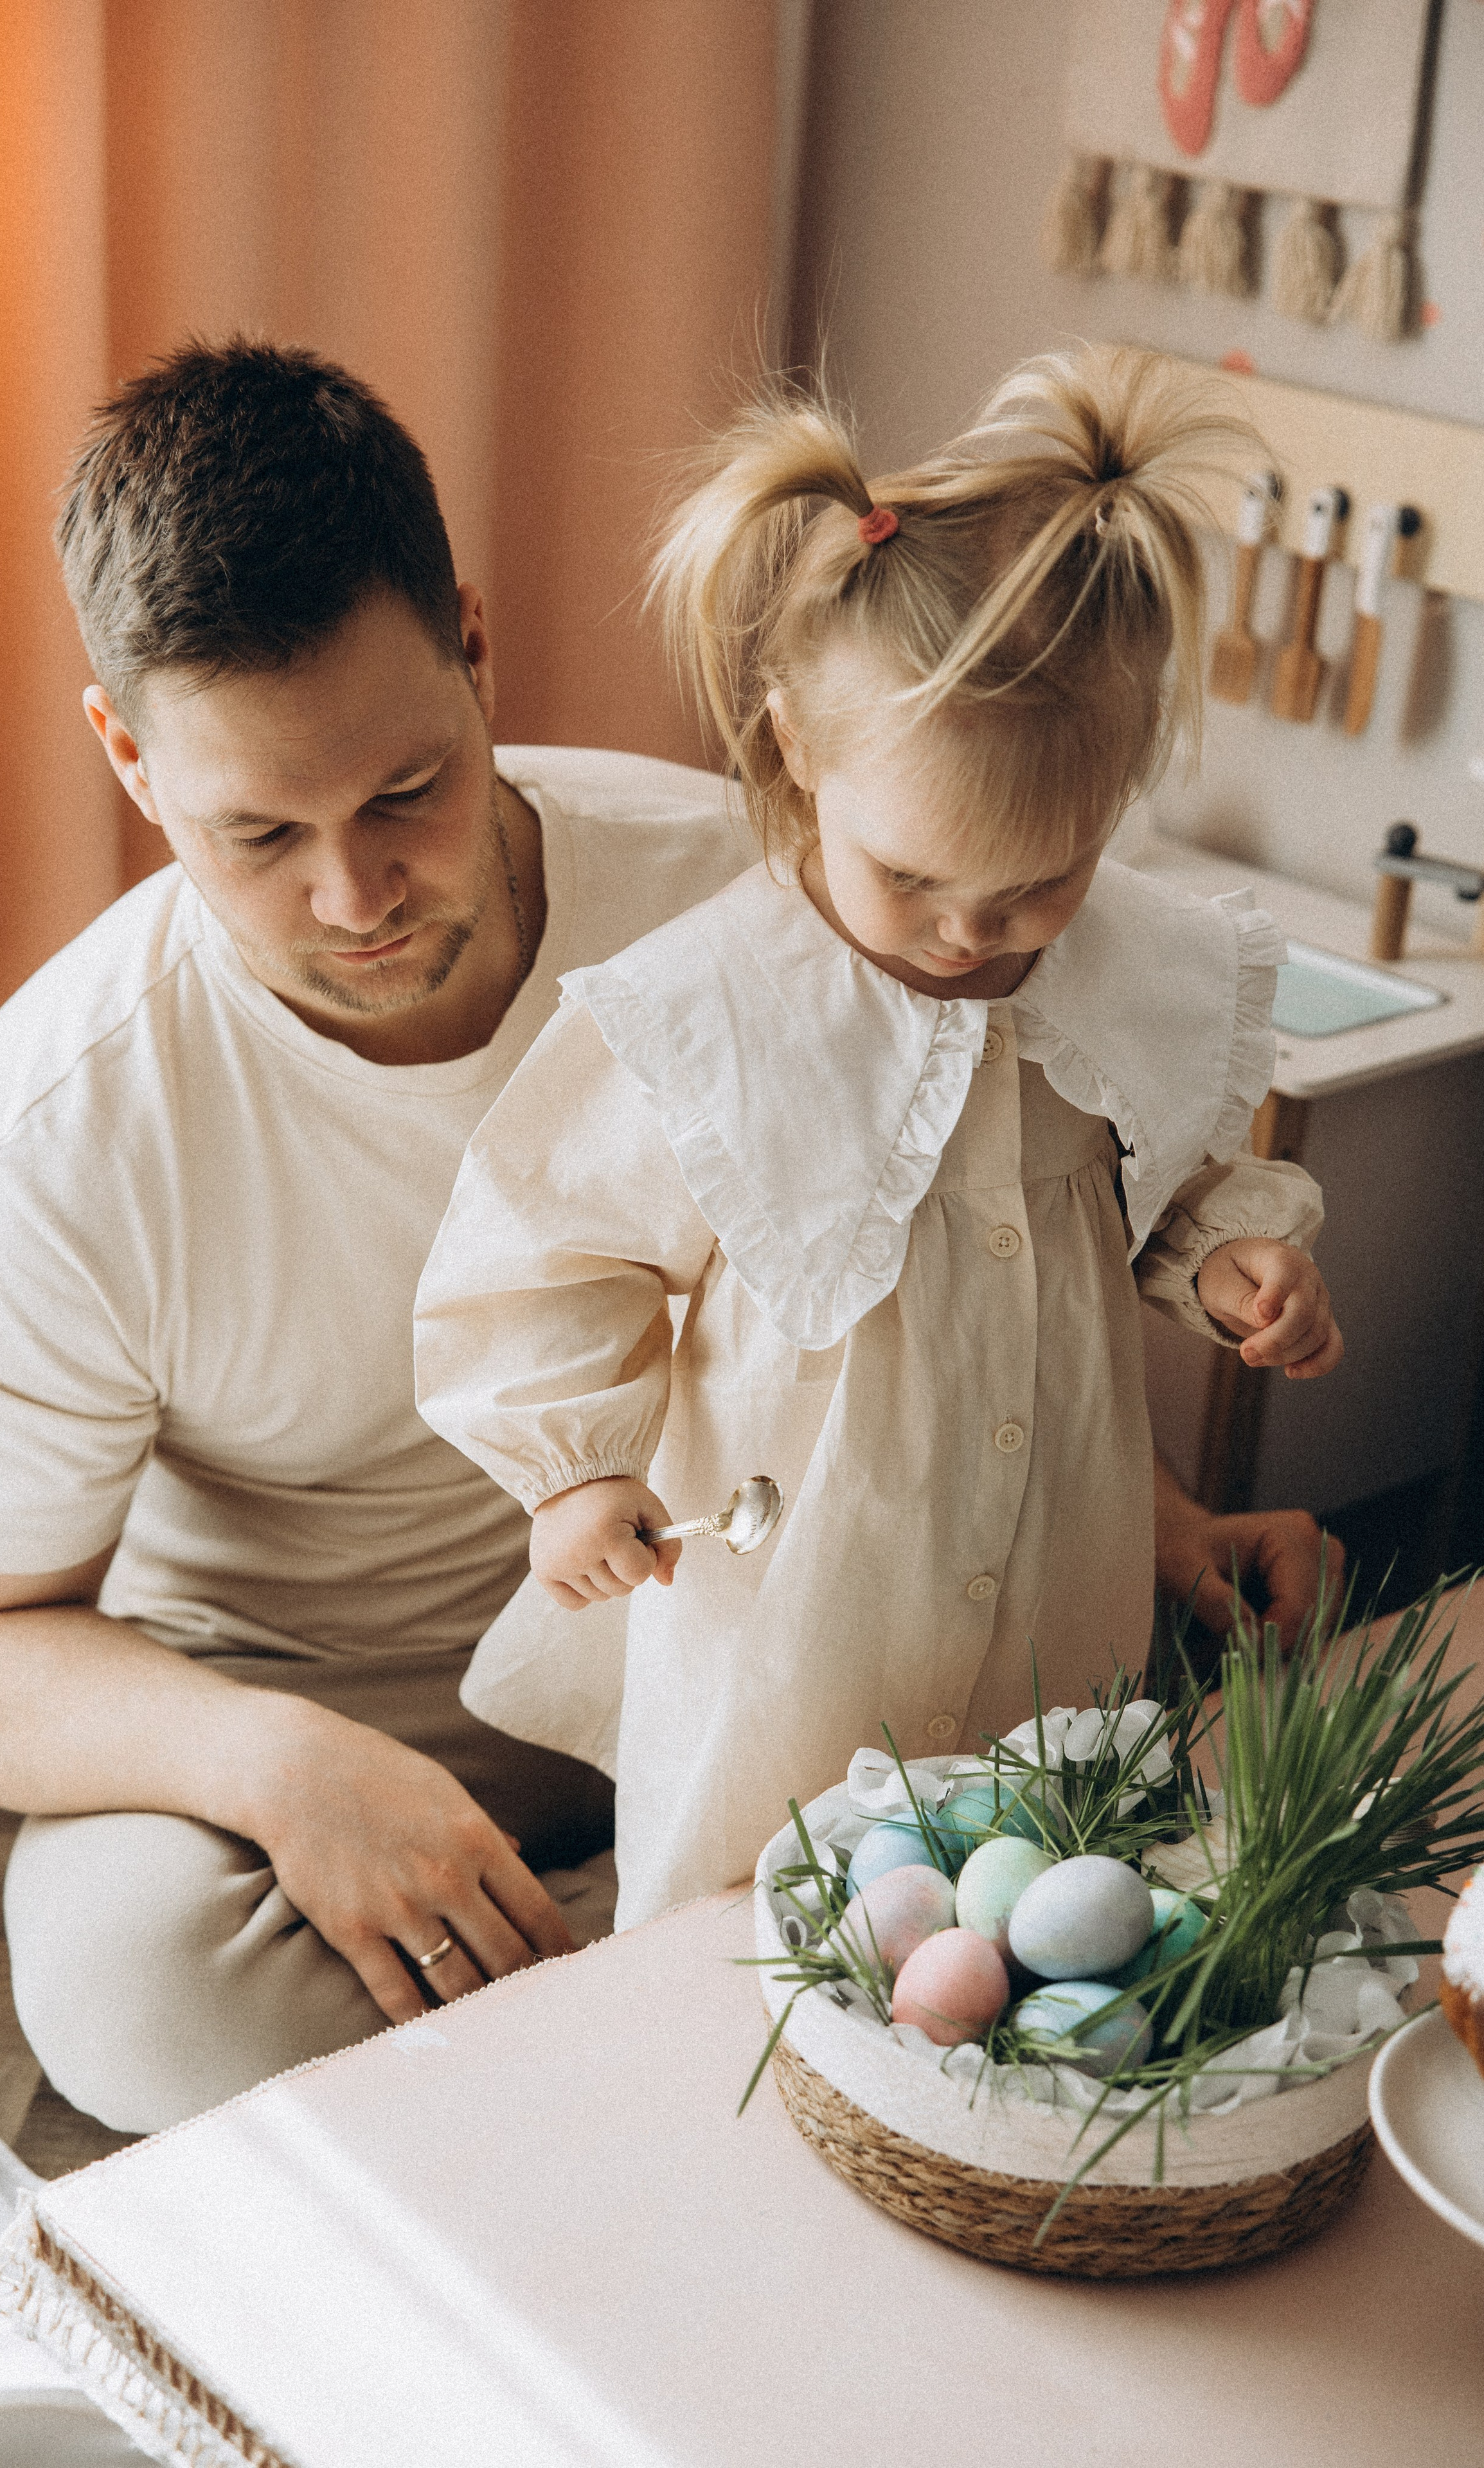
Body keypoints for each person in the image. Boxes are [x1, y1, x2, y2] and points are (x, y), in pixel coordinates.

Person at [0, 337, 1339, 2136]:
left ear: (475, 646)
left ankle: (637, 2008)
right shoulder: (41, 1144)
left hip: (775, 1633)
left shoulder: (780, 886)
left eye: (407, 790)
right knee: (141, 1979)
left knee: (1165, 1784)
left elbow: (965, 1239)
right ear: (128, 757)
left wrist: (1157, 1521)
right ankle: (741, 1994)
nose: (354, 895)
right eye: (258, 832)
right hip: (311, 1703)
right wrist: (285, 1768)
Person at [413, 346, 1344, 1929]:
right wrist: (573, 1470)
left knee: (1026, 1880)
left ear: (1113, 803)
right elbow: (539, 1249)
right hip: (804, 1588)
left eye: (1036, 886)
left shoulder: (1116, 974)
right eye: (912, 881)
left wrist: (1232, 1265)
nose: (969, 936)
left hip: (1056, 1550)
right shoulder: (708, 1011)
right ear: (794, 748)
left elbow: (1161, 1179)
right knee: (753, 1890)